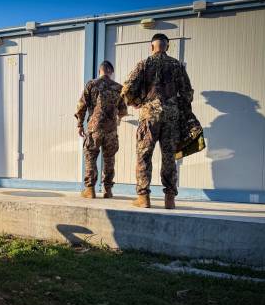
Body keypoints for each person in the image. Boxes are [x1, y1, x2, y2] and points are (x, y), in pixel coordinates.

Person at [121, 33, 194, 209]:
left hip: (149, 115)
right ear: (167, 47)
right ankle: (170, 199)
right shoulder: (177, 65)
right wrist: (179, 109)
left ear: (151, 46)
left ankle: (143, 198)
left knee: (144, 155)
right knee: (169, 157)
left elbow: (127, 89)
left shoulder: (145, 63)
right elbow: (187, 94)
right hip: (171, 116)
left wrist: (137, 102)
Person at [75, 60, 127, 199]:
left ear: (100, 71)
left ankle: (90, 189)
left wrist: (80, 124)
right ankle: (107, 190)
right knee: (109, 159)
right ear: (111, 72)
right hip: (111, 130)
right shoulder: (119, 88)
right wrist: (117, 118)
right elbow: (123, 110)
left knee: (91, 157)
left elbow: (82, 106)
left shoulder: (92, 84)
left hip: (94, 129)